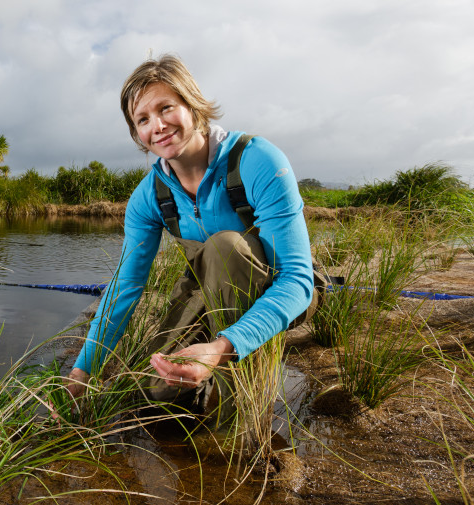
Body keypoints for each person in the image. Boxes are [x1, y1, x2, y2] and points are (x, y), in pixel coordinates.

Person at [65, 54, 319, 418]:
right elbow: (125, 285)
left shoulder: (258, 159)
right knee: (156, 388)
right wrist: (82, 370)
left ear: (193, 104)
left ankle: (239, 408)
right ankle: (205, 381)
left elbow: (297, 281)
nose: (158, 126)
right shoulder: (148, 197)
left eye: (166, 107)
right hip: (205, 291)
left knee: (225, 247)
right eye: (142, 119)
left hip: (278, 288)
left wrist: (221, 348)